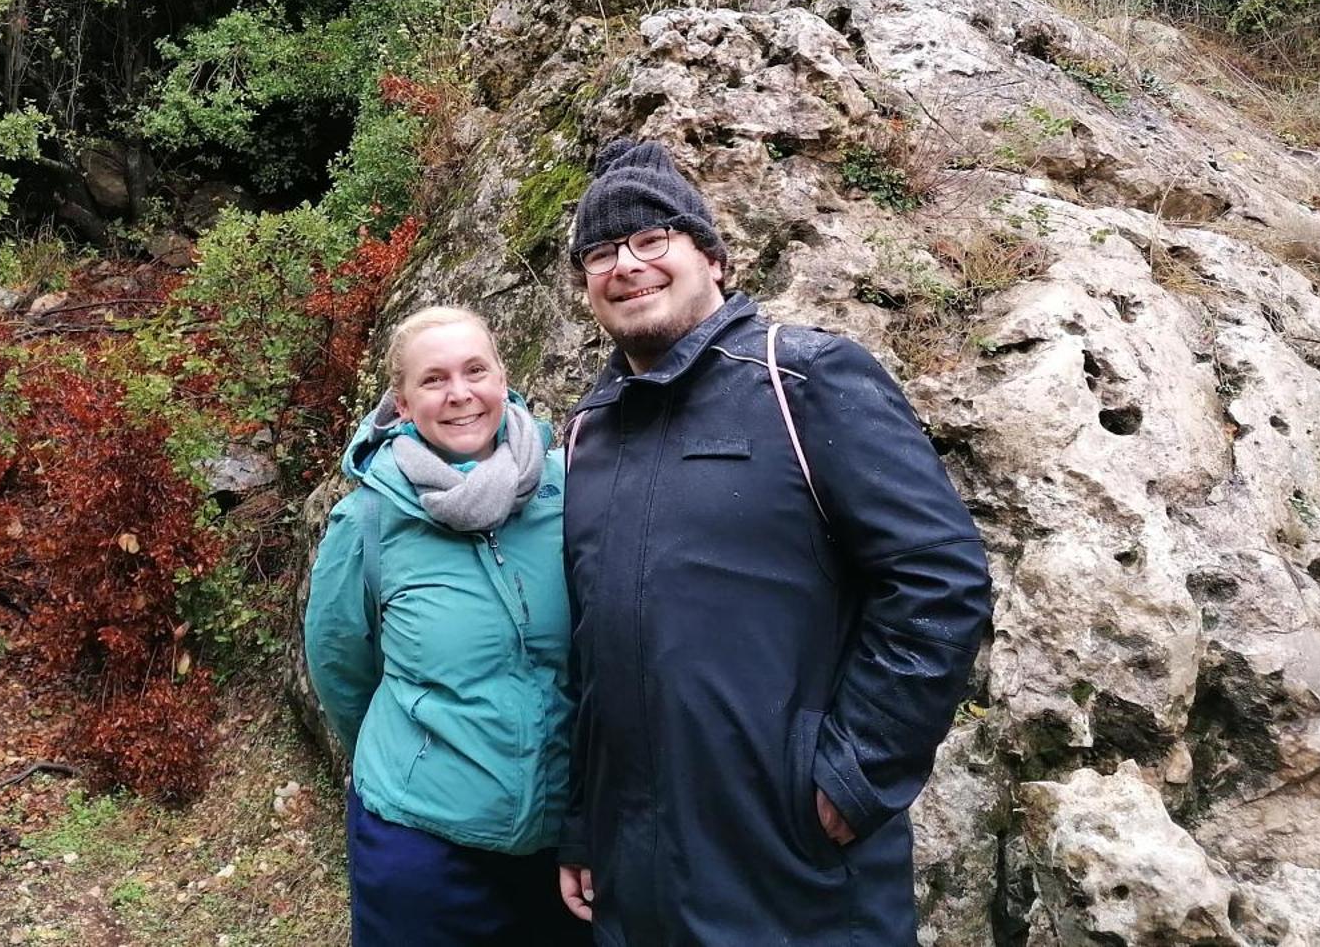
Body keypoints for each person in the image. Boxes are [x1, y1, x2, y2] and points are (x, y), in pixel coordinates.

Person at [553, 139, 993, 946]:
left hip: (794, 868)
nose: (627, 265)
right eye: (601, 251)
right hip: (637, 869)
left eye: (653, 240)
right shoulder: (590, 430)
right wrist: (584, 822)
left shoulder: (804, 379)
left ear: (713, 257)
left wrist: (853, 778)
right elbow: (593, 646)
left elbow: (941, 580)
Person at [305, 305, 588, 947]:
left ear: (503, 379)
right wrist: (416, 758)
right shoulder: (370, 520)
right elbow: (341, 667)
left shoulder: (569, 492)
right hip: (422, 843)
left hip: (565, 837)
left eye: (475, 370)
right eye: (433, 380)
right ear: (403, 405)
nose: (460, 394)